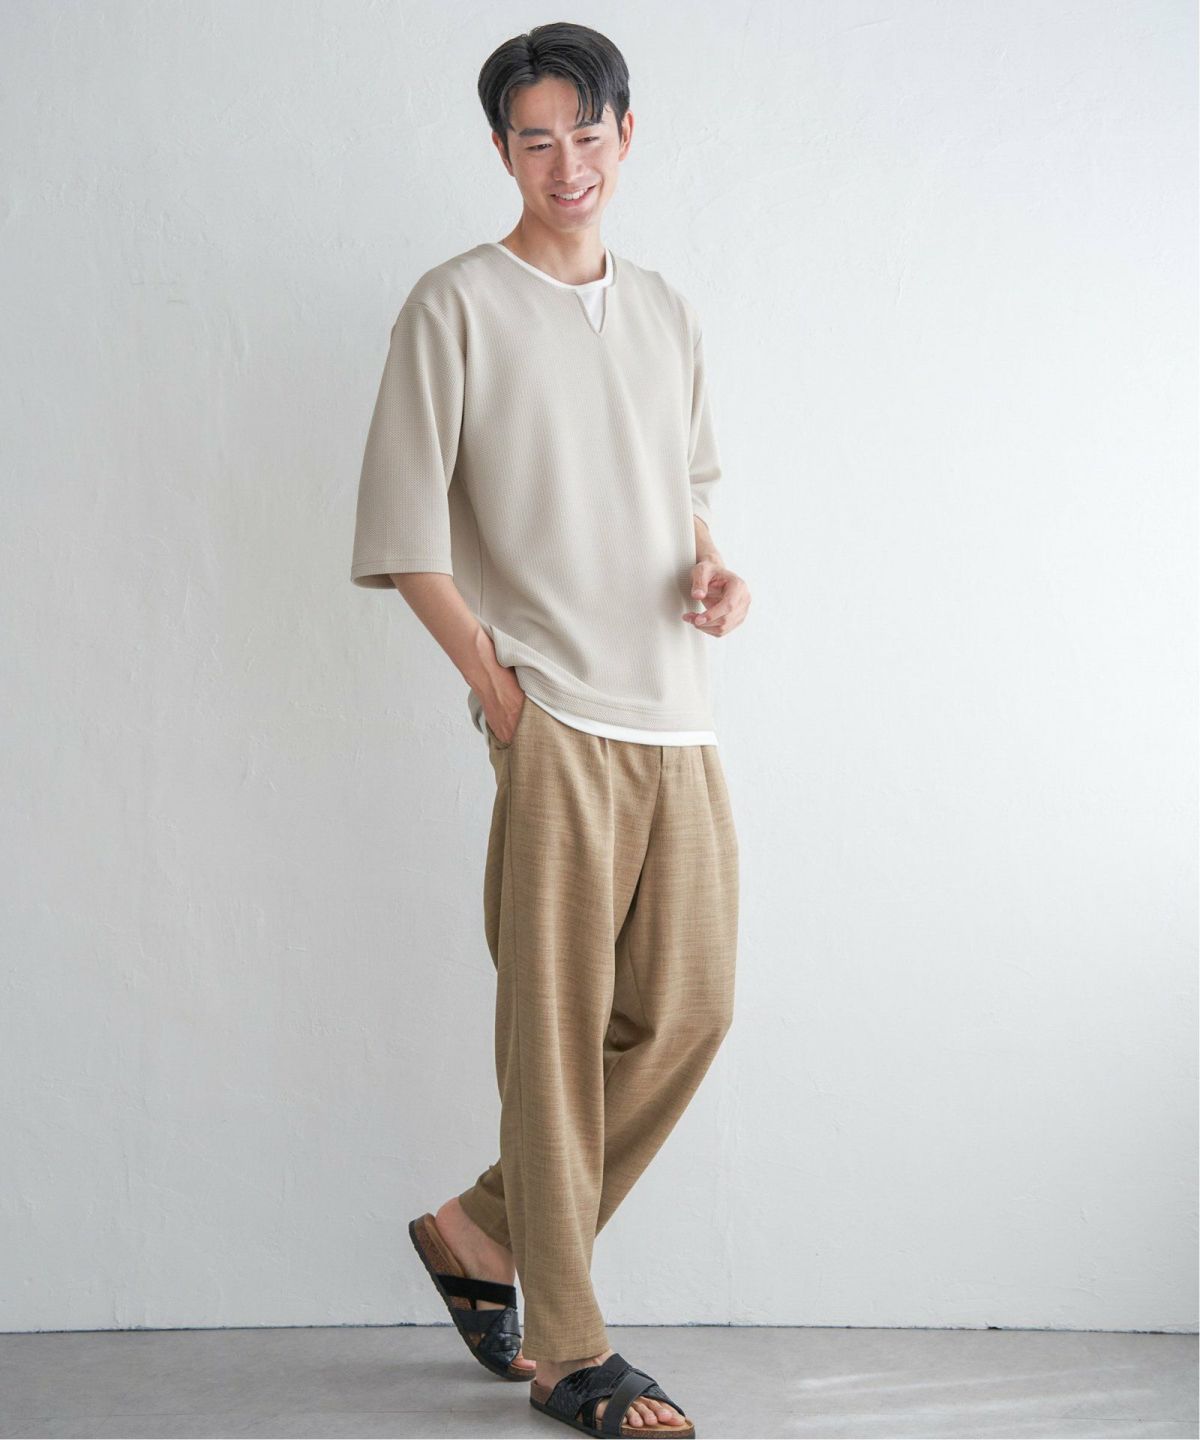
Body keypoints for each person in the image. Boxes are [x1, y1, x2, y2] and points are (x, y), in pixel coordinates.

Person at [350, 22, 751, 1438]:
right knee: (557, 1037)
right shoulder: (453, 306)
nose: (566, 163)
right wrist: (497, 687)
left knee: (690, 1011)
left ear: (625, 135)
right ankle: (569, 1353)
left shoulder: (667, 311)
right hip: (557, 716)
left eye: (587, 134)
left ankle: (484, 1228)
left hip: (677, 717)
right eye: (536, 139)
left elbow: (680, 498)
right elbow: (406, 535)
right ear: (502, 150)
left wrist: (718, 575)